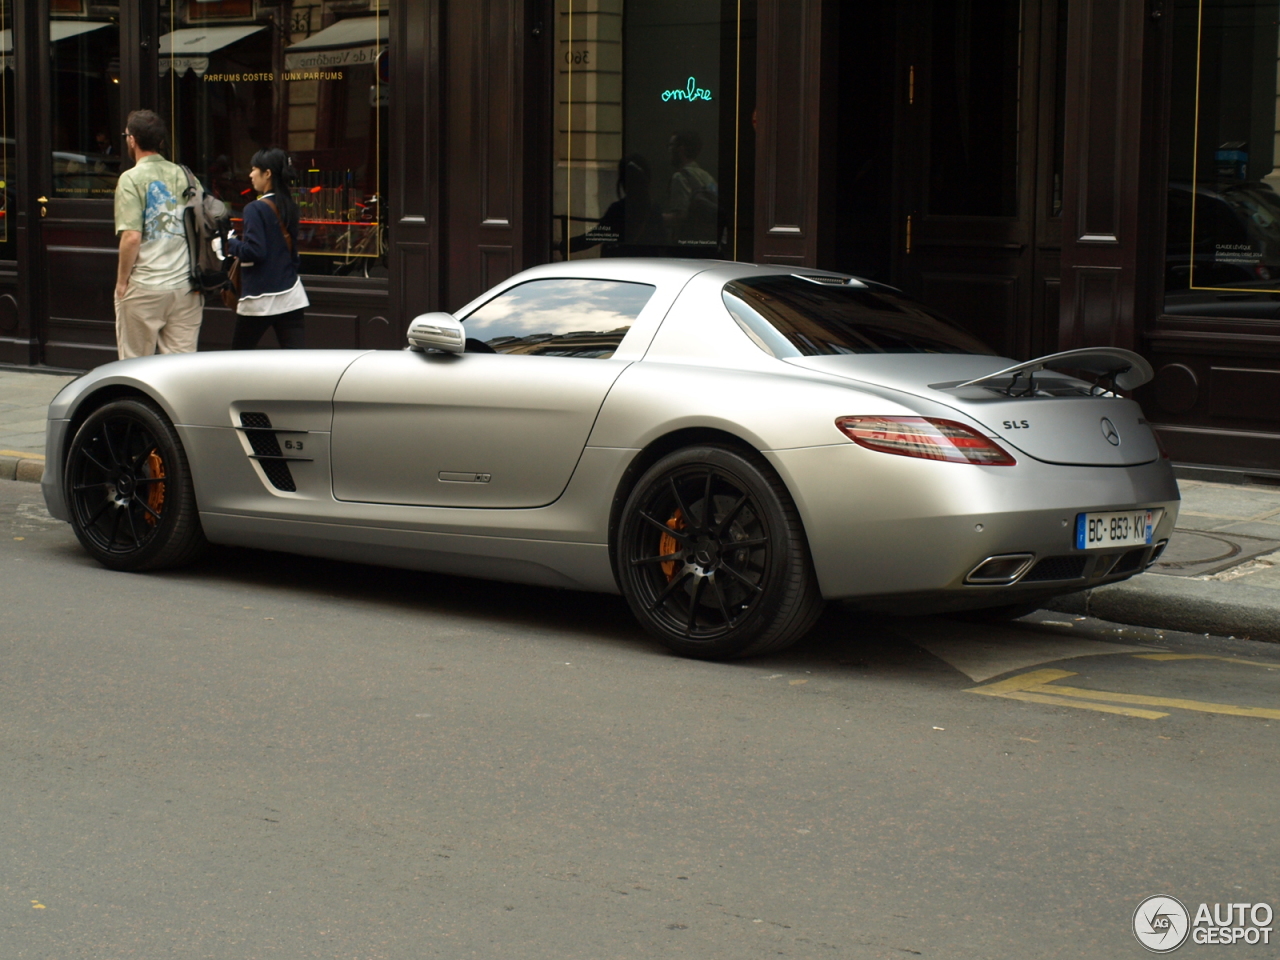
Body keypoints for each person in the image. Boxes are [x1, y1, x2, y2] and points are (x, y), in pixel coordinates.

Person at [113, 109, 204, 359]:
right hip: (185, 286)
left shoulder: (131, 179)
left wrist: (122, 283)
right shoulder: (186, 175)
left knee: (134, 365)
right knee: (180, 366)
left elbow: (131, 237)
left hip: (146, 285)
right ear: (161, 142)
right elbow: (203, 222)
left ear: (132, 140)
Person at [225, 148, 309, 349]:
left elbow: (255, 251)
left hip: (259, 298)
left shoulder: (255, 208)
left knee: (238, 357)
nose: (251, 174)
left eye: (254, 169)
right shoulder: (289, 205)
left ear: (268, 173)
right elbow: (293, 255)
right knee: (297, 360)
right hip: (291, 295)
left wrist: (231, 242)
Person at [663, 130, 719, 248]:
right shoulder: (706, 176)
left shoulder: (680, 177)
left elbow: (679, 217)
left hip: (686, 245)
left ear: (681, 148)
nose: (669, 150)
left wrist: (655, 218)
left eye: (671, 145)